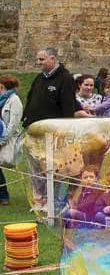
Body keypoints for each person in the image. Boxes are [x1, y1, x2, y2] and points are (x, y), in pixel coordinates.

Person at [23, 47, 77, 127]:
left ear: (52, 59)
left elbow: (68, 106)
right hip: (34, 126)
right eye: (37, 60)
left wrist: (67, 127)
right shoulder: (39, 77)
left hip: (52, 128)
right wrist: (26, 117)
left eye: (41, 59)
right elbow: (30, 99)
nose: (38, 62)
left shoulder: (66, 79)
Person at [0, 74, 24, 205]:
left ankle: (3, 196)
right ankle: (3, 196)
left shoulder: (14, 100)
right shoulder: (1, 99)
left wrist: (2, 141)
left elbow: (13, 124)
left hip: (7, 138)